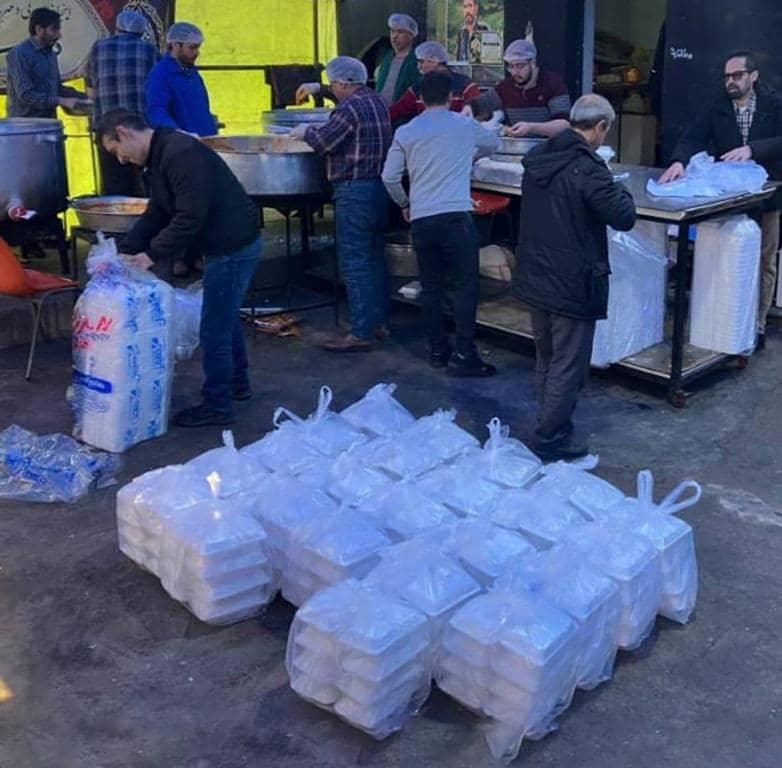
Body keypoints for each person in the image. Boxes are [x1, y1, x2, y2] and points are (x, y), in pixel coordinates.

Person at [96, 109, 262, 428]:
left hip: (233, 247)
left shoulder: (179, 154)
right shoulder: (159, 157)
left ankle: (218, 405)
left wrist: (151, 255)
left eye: (117, 150)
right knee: (224, 319)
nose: (120, 160)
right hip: (226, 245)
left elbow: (190, 216)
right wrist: (125, 249)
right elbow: (158, 210)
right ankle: (237, 384)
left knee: (213, 329)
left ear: (124, 133)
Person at [515, 94, 636, 461]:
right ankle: (551, 438)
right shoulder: (589, 168)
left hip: (537, 274)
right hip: (572, 280)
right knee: (567, 364)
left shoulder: (540, 157)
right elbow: (623, 216)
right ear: (600, 127)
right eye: (605, 131)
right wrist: (618, 184)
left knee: (548, 357)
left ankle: (547, 422)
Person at [659, 51, 782, 348]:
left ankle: (757, 325)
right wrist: (678, 161)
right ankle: (726, 323)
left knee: (764, 261)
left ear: (753, 76)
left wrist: (753, 149)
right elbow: (693, 136)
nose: (731, 81)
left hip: (767, 195)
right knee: (728, 257)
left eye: (737, 75)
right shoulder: (716, 104)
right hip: (730, 198)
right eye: (727, 76)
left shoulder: (774, 104)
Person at [383, 70, 500, 376]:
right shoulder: (463, 125)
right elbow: (493, 143)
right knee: (464, 287)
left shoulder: (406, 131)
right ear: (451, 97)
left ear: (420, 98)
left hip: (422, 220)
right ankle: (464, 354)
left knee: (431, 286)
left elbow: (389, 177)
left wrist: (405, 204)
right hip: (456, 218)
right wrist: (469, 155)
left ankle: (437, 350)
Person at [290, 56, 392, 352]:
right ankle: (378, 321)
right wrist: (317, 88)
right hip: (378, 188)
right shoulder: (376, 101)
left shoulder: (347, 109)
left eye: (333, 84)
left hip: (353, 190)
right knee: (374, 258)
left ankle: (360, 332)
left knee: (354, 261)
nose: (332, 89)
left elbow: (325, 143)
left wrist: (305, 132)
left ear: (344, 83)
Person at [85, 10, 159, 196]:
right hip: (137, 132)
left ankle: (114, 214)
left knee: (114, 189)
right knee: (143, 188)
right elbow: (157, 91)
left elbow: (91, 92)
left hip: (106, 133)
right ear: (141, 32)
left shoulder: (98, 48)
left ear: (117, 28)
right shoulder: (149, 50)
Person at [468, 39, 571, 138]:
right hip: (516, 146)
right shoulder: (506, 87)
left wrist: (531, 128)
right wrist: (469, 108)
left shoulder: (552, 83)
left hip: (550, 147)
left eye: (520, 65)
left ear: (533, 62)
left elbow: (564, 125)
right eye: (510, 66)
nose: (514, 72)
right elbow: (478, 104)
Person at [5, 7, 85, 118]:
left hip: (48, 122)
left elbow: (56, 88)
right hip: (24, 124)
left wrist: (86, 98)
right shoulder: (19, 54)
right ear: (39, 29)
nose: (59, 35)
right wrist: (61, 101)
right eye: (54, 29)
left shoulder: (50, 54)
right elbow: (26, 95)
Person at [145, 21, 218, 137]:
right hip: (182, 144)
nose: (197, 53)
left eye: (198, 47)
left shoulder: (192, 73)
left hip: (204, 140)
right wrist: (178, 134)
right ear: (175, 45)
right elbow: (156, 111)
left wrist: (211, 126)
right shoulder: (161, 75)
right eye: (192, 48)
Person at [389, 41, 480, 126]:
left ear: (434, 61)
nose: (418, 66)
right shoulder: (417, 88)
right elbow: (396, 111)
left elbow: (478, 112)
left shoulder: (465, 87)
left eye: (421, 62)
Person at [375, 13, 420, 105]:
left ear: (411, 35)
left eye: (400, 32)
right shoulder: (387, 57)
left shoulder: (416, 61)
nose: (394, 36)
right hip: (382, 110)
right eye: (392, 31)